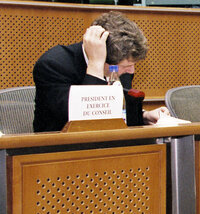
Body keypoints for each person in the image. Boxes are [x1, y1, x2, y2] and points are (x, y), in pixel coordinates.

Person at [33, 11, 168, 132]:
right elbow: (84, 121)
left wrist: (144, 116)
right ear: (103, 59)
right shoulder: (53, 65)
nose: (131, 71)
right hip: (57, 151)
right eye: (126, 66)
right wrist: (95, 65)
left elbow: (114, 113)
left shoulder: (123, 68)